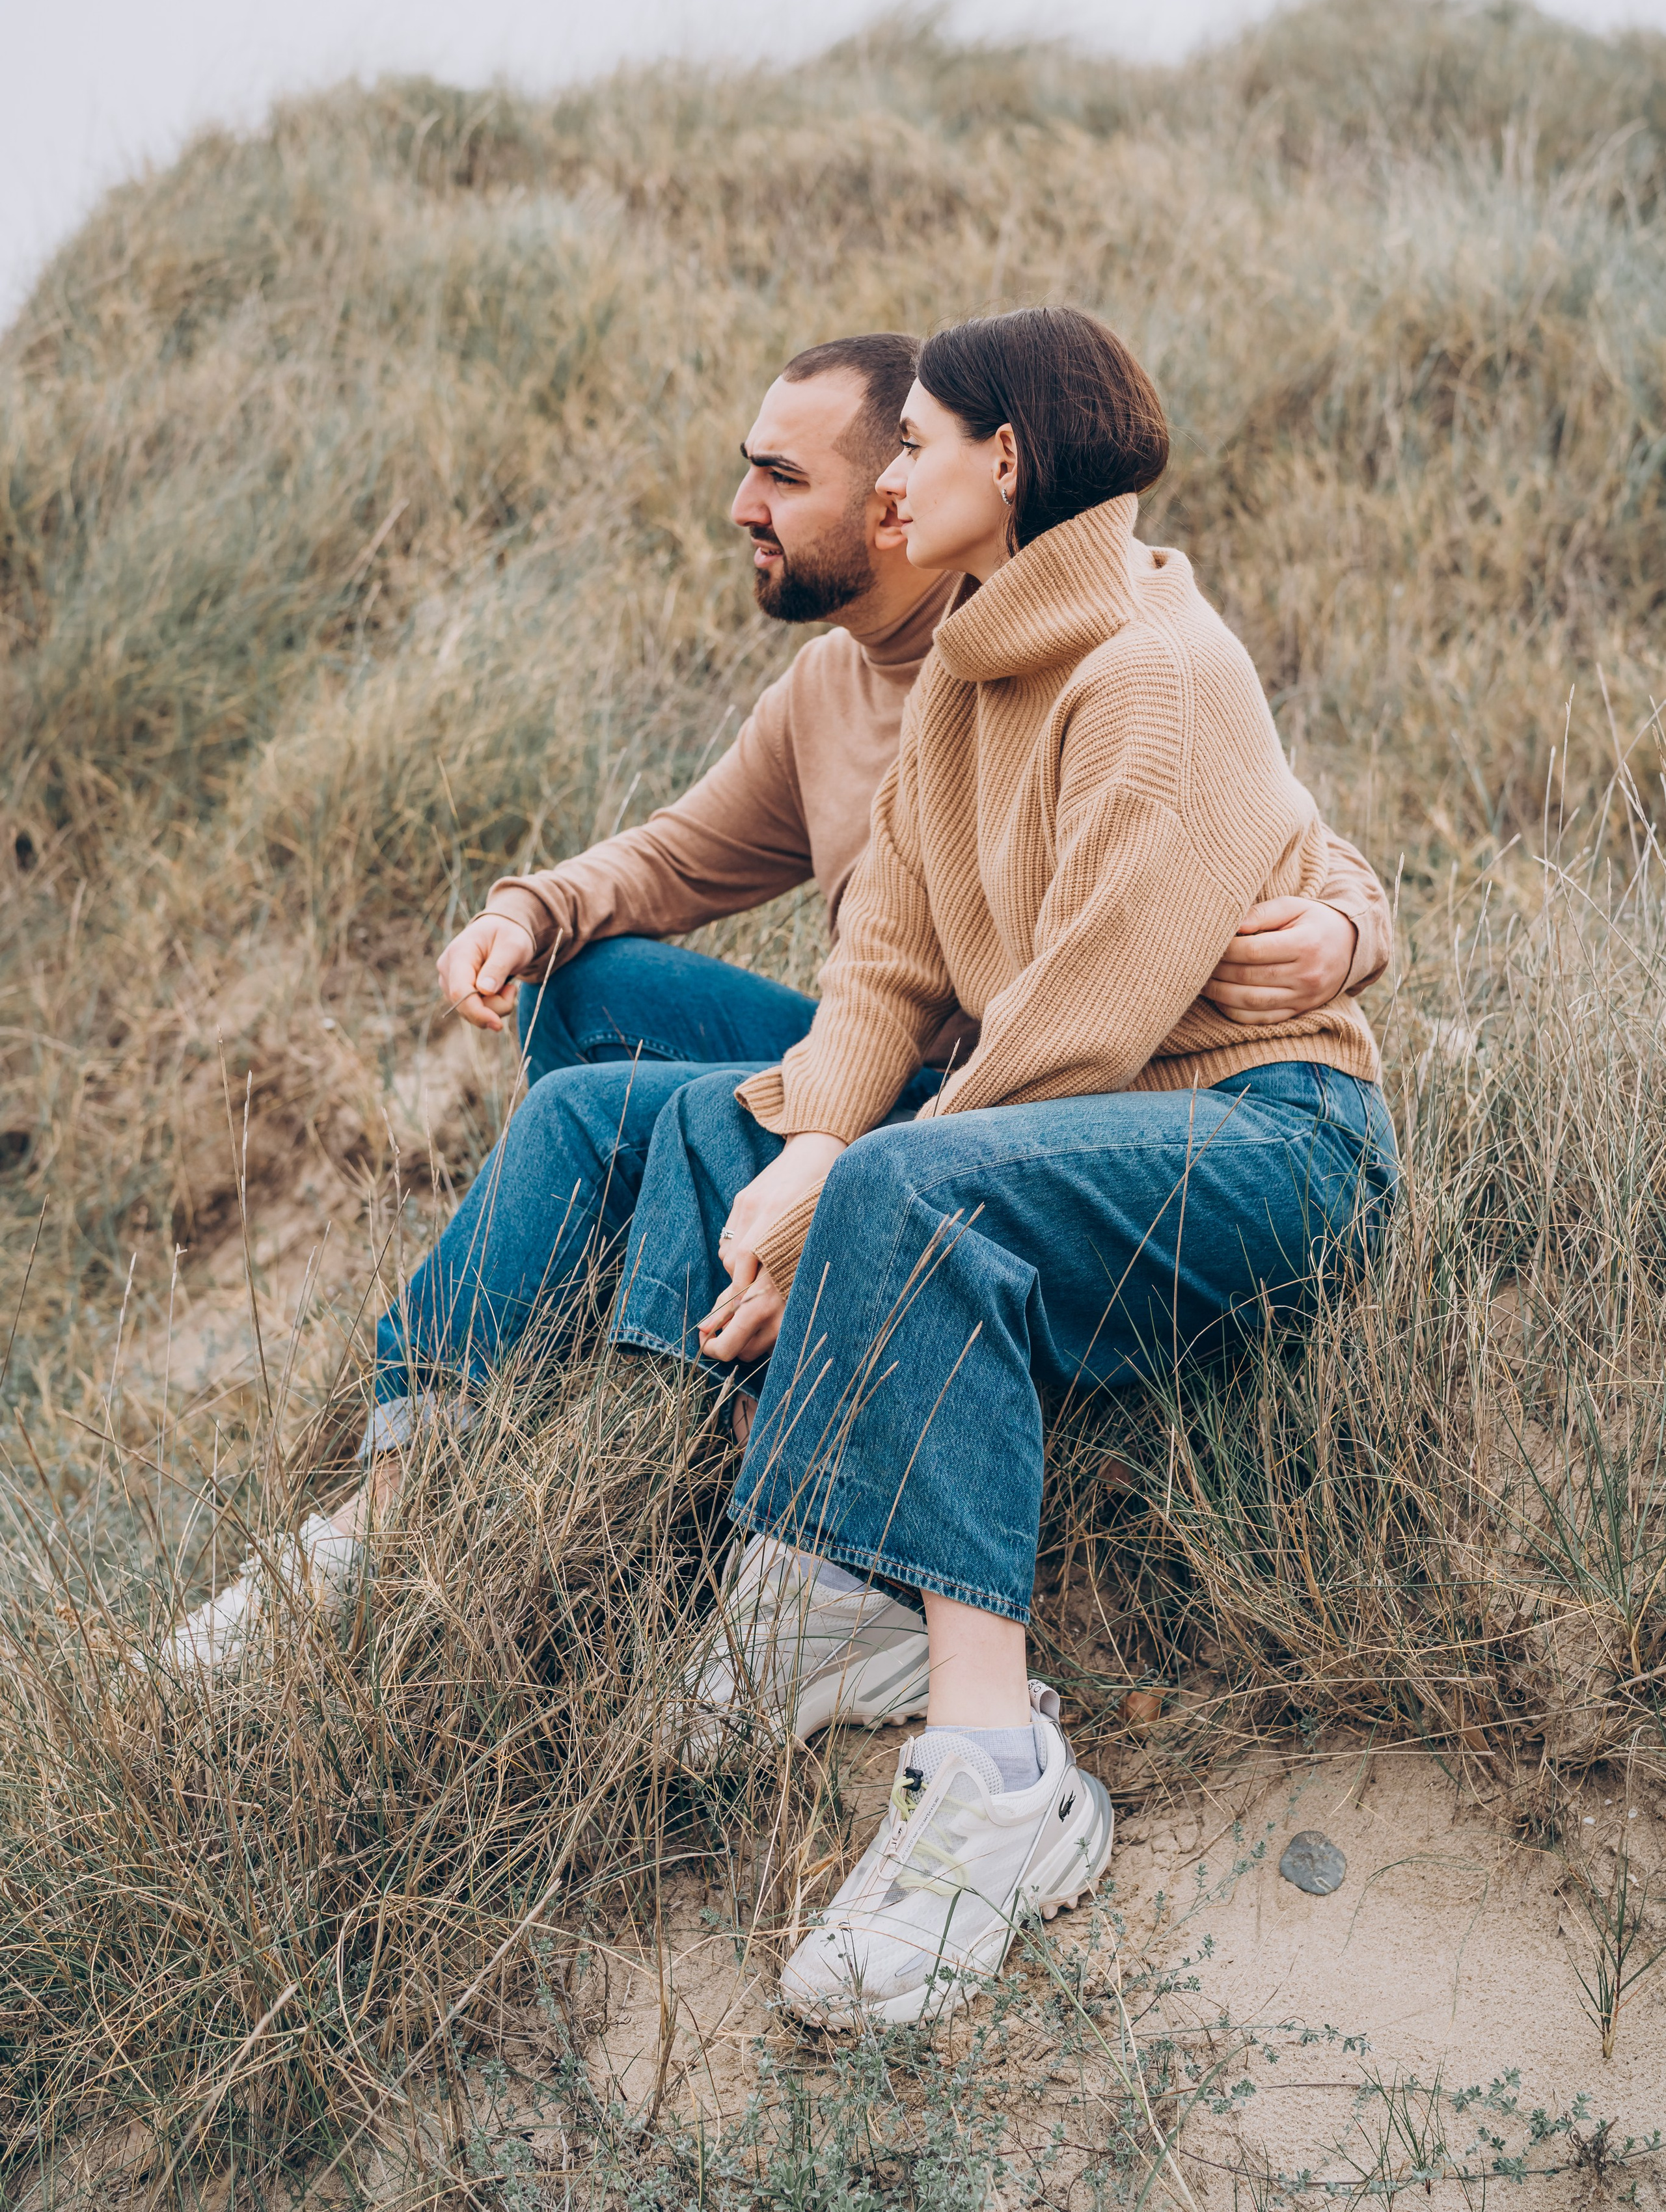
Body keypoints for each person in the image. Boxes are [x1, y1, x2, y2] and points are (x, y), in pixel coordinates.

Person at [160, 327, 1393, 1967]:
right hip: (1064, 1125)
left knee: (889, 1178)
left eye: (915, 448)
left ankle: (995, 1780)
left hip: (1262, 1132)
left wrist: (829, 1179)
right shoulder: (955, 679)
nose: (890, 483)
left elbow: (1083, 1017)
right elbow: (877, 968)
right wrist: (808, 1138)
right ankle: (790, 1573)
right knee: (773, 1127)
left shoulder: (1157, 672)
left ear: (1002, 462)